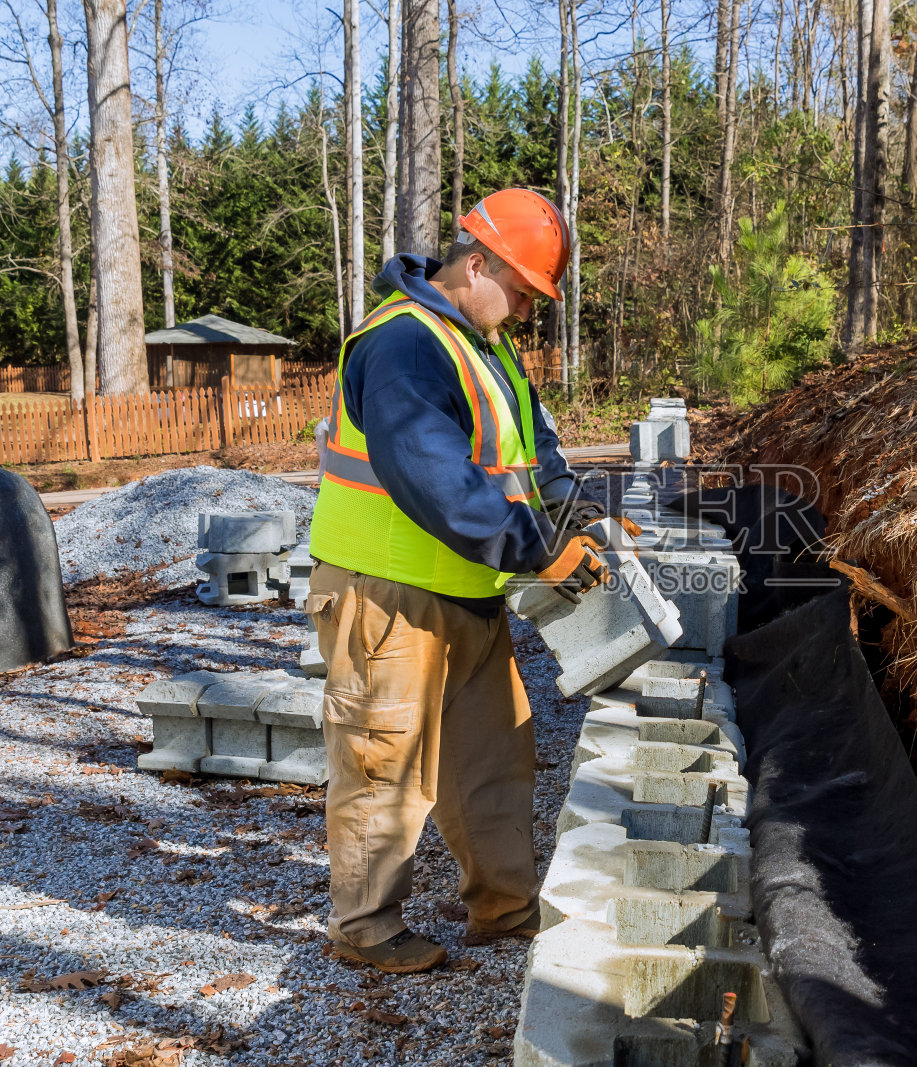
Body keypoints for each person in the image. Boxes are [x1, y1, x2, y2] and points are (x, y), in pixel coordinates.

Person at [304, 188, 611, 973]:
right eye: (520, 292)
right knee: (385, 759)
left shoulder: (484, 346)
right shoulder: (403, 344)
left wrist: (581, 517)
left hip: (467, 590)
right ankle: (365, 925)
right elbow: (432, 477)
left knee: (494, 756)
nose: (523, 311)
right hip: (386, 592)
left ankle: (505, 910)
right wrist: (532, 546)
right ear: (477, 264)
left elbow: (531, 457)